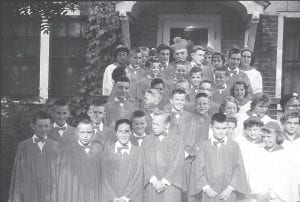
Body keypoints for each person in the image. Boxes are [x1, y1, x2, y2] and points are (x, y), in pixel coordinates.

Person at [189, 113, 249, 202]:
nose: (221, 132)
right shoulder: (204, 146)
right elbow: (198, 169)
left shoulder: (234, 146)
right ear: (211, 127)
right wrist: (206, 188)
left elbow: (239, 169)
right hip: (209, 192)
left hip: (228, 192)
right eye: (217, 128)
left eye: (224, 128)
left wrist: (230, 188)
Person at [9, 111, 60, 202]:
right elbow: (18, 175)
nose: (43, 129)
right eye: (40, 126)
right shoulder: (23, 146)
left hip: (50, 192)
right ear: (33, 126)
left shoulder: (56, 146)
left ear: (51, 126)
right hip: (29, 190)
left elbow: (60, 174)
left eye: (46, 126)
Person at [142, 110, 185, 202]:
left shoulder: (177, 140)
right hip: (152, 185)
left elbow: (177, 164)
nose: (154, 127)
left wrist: (164, 181)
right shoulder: (146, 140)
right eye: (153, 123)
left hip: (170, 185)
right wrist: (154, 181)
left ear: (167, 125)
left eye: (157, 124)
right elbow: (143, 162)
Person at [57, 119, 103, 202]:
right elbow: (64, 179)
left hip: (95, 192)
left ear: (93, 133)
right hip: (75, 193)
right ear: (76, 132)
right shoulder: (68, 151)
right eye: (82, 132)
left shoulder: (99, 149)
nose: (85, 136)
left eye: (88, 132)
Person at [102, 119, 143, 202]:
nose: (123, 135)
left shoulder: (138, 153)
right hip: (112, 198)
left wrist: (126, 197)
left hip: (131, 198)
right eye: (120, 131)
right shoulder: (108, 151)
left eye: (126, 131)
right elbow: (103, 176)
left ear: (131, 132)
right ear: (115, 133)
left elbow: (139, 177)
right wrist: (112, 197)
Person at [258, 122, 299, 202]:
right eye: (264, 136)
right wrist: (258, 191)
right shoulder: (260, 152)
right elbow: (256, 175)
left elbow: (286, 179)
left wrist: (272, 193)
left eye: (269, 136)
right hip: (261, 196)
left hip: (278, 196)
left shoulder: (285, 155)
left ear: (277, 136)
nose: (266, 139)